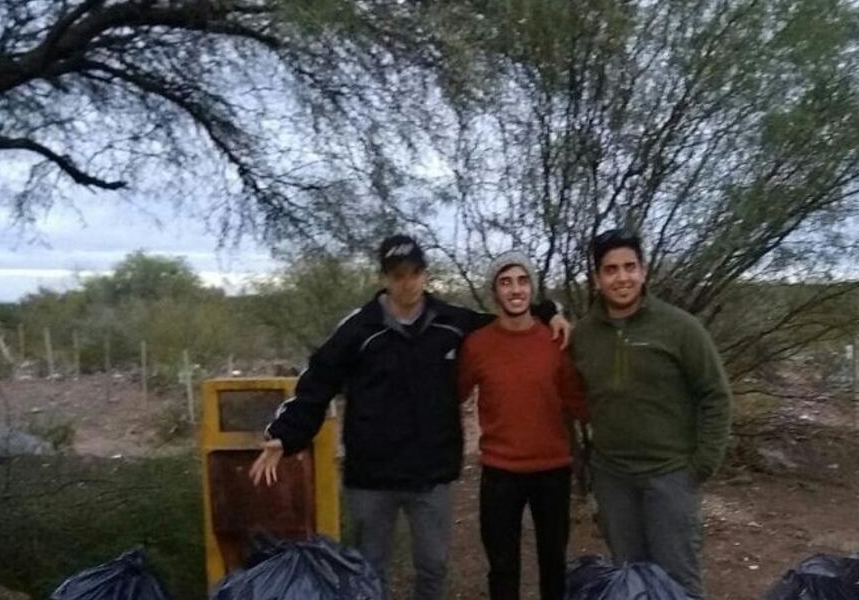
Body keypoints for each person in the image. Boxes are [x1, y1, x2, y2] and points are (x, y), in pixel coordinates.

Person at [249, 235, 570, 600]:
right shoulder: (360, 328)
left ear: (426, 275)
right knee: (371, 573)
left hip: (431, 476)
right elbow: (318, 380)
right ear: (385, 278)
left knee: (433, 570)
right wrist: (286, 434)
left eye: (414, 273)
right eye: (398, 274)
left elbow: (510, 318)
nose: (407, 282)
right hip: (372, 478)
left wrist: (549, 312)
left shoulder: (452, 323)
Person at [569, 229, 732, 600]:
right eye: (610, 270)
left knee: (677, 580)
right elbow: (566, 391)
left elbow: (716, 395)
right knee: (629, 578)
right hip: (613, 478)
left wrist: (702, 464)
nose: (621, 277)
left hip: (670, 475)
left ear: (644, 272)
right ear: (597, 279)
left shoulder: (680, 328)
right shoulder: (583, 335)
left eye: (630, 267)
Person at [457, 252, 588, 600]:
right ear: (495, 293)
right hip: (500, 472)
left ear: (531, 288)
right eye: (505, 282)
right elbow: (451, 394)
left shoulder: (555, 339)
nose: (515, 290)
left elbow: (578, 401)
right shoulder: (478, 344)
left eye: (522, 280)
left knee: (553, 563)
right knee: (502, 567)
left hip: (553, 470)